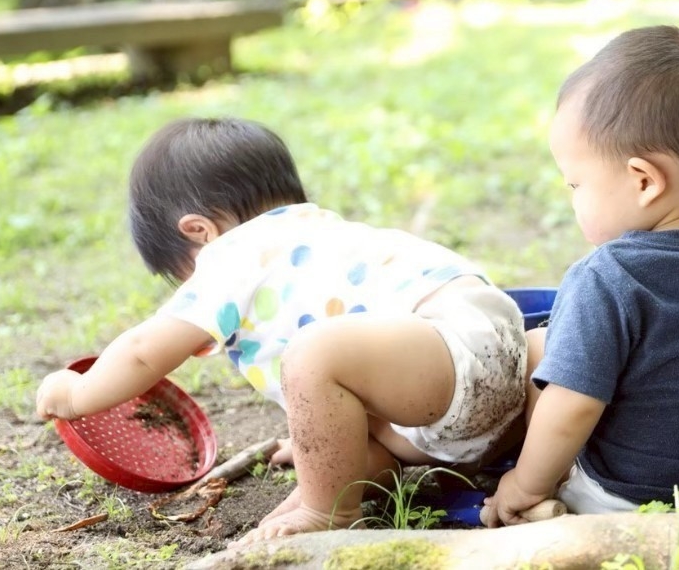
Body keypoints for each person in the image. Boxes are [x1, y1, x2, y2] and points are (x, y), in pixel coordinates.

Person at [35, 117, 527, 542]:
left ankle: (328, 511)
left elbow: (146, 350)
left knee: (314, 356)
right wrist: (322, 446)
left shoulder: (235, 252)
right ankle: (347, 469)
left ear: (199, 231)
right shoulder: (317, 232)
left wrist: (79, 393)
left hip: (445, 347)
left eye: (185, 277)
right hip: (499, 354)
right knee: (343, 388)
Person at [484, 25, 679, 526]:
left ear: (643, 180)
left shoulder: (607, 277)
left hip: (631, 497)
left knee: (543, 349)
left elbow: (572, 406)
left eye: (576, 183)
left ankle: (549, 506)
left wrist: (524, 482)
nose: (572, 197)